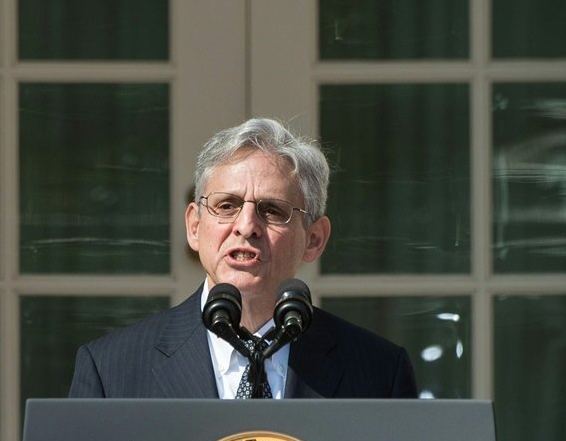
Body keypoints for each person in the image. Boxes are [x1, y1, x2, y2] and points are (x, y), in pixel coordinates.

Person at [68, 117, 418, 399]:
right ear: (194, 226)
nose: (246, 226)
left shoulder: (379, 372)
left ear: (314, 239)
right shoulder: (110, 371)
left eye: (272, 210)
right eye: (226, 206)